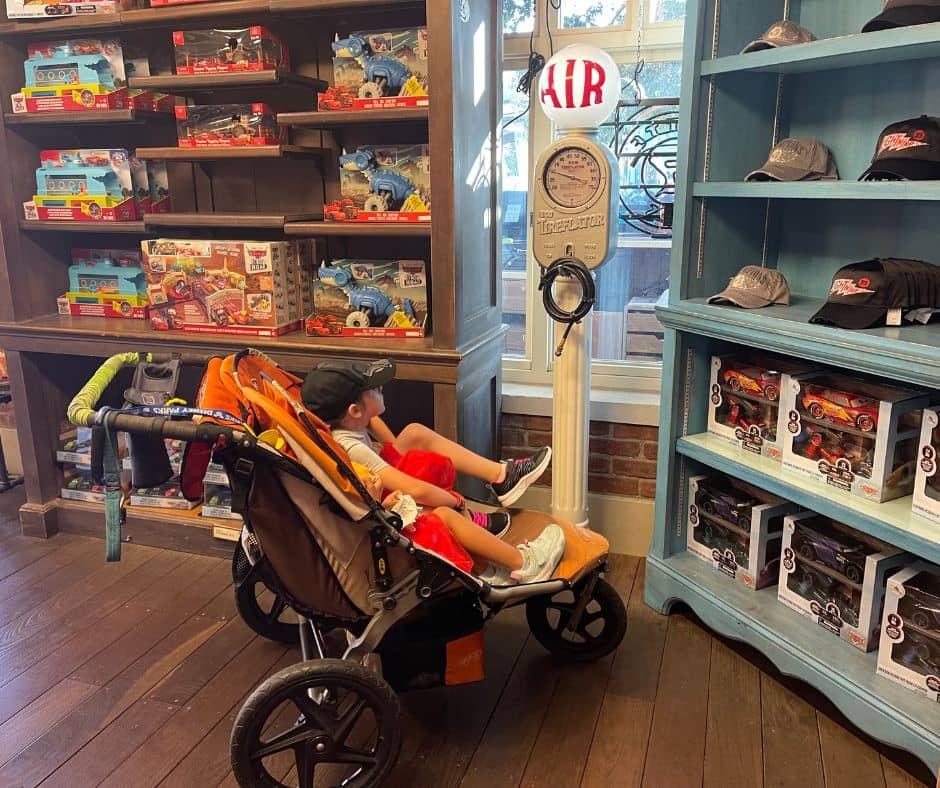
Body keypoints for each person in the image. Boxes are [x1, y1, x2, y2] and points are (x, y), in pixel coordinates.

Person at [302, 359, 564, 583]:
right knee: (443, 513)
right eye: (372, 389)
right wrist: (454, 500)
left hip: (384, 493)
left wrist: (369, 415)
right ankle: (525, 564)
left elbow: (388, 442)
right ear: (354, 410)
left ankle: (502, 477)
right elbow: (414, 489)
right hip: (389, 516)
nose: (380, 388)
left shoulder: (348, 425)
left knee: (414, 433)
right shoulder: (351, 447)